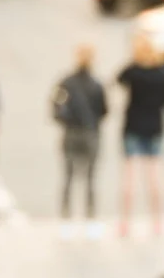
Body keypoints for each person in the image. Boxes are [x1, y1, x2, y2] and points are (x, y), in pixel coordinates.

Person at [117, 35, 164, 237]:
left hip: (133, 125)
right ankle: (157, 222)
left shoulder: (134, 72)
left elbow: (119, 79)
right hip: (155, 126)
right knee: (155, 176)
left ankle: (126, 222)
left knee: (130, 176)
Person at [52, 44, 107, 240]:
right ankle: (90, 218)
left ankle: (66, 219)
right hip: (90, 133)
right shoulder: (96, 84)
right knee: (90, 178)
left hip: (72, 133)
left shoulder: (66, 82)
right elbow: (103, 110)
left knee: (68, 177)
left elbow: (55, 108)